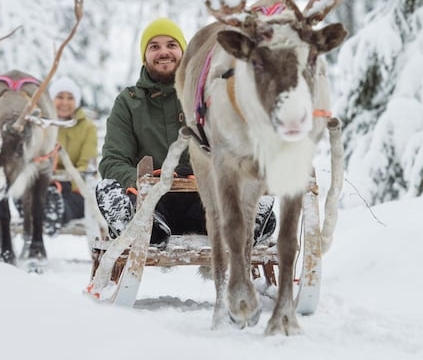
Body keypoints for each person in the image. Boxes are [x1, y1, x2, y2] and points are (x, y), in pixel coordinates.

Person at [94, 17, 275, 249]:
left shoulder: (205, 95)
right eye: (154, 46)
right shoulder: (128, 103)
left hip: (203, 202)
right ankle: (145, 228)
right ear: (144, 55)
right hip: (152, 204)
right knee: (107, 189)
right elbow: (113, 160)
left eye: (171, 45)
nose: (163, 52)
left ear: (183, 51)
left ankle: (249, 222)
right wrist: (141, 182)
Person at [43, 75, 98, 235]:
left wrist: (67, 183)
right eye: (59, 97)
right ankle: (45, 207)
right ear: (52, 99)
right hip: (46, 183)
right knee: (35, 192)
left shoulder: (87, 128)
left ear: (77, 101)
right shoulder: (43, 125)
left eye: (70, 98)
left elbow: (86, 164)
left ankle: (55, 212)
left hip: (74, 187)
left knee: (70, 203)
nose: (65, 102)